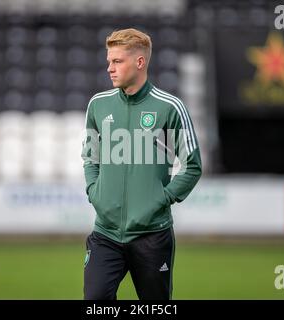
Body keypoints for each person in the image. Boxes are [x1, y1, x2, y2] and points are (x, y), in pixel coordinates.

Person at [81, 28, 202, 300]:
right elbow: (91, 156)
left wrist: (162, 198)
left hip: (152, 236)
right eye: (109, 61)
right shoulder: (97, 105)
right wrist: (94, 191)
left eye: (117, 61)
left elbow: (192, 166)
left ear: (139, 62)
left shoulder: (170, 107)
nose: (109, 68)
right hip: (106, 233)